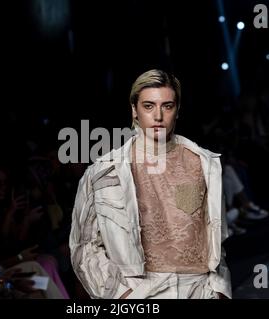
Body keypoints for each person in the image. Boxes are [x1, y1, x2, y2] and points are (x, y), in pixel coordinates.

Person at [69, 69, 232, 299]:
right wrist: (121, 295)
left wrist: (220, 290)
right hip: (140, 292)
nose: (158, 116)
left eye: (167, 106)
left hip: (199, 288)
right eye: (148, 106)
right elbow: (84, 246)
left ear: (177, 110)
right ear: (134, 109)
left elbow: (213, 236)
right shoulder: (104, 171)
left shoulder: (203, 164)